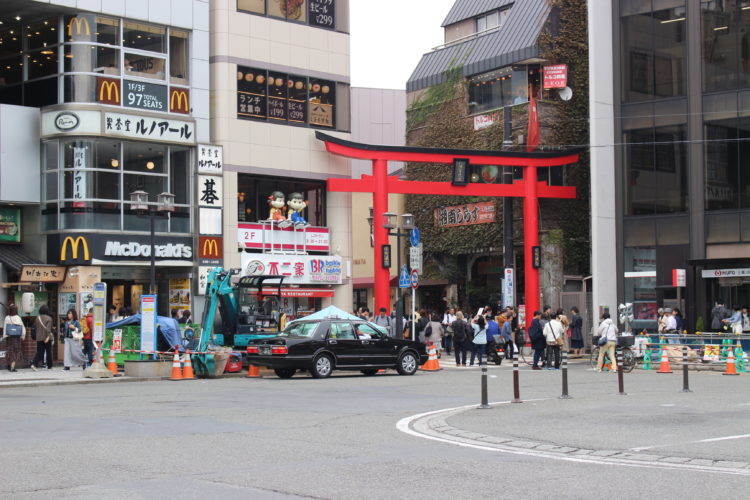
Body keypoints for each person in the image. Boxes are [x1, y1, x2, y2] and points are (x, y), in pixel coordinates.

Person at [2, 304, 26, 372]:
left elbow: (5, 328)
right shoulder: (18, 317)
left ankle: (9, 366)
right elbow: (22, 328)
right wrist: (23, 336)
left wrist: (4, 336)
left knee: (10, 352)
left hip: (9, 338)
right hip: (16, 338)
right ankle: (12, 366)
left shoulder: (7, 317)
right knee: (16, 352)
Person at [31, 304, 54, 371]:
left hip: (39, 338)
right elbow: (48, 329)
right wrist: (48, 337)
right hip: (47, 338)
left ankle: (34, 364)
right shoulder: (49, 318)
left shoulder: (37, 318)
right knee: (48, 351)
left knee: (39, 352)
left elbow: (36, 328)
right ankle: (49, 365)